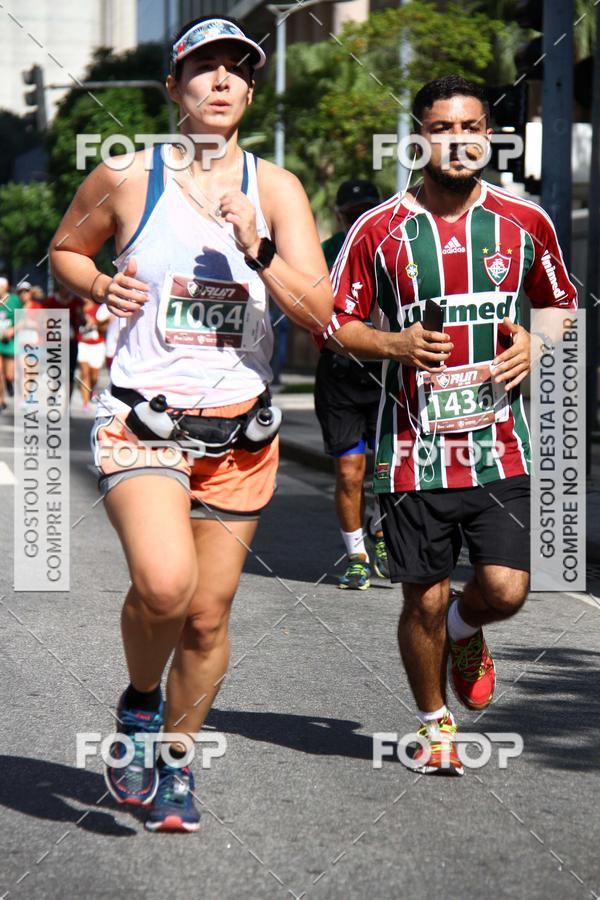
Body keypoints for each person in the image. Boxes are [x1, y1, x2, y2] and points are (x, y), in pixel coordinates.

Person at [50, 15, 332, 831]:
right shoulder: (127, 176)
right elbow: (67, 249)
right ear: (173, 88)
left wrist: (260, 249)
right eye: (202, 68)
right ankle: (140, 707)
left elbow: (320, 314)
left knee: (208, 617)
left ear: (250, 90)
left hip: (240, 436)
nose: (219, 82)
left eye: (235, 70)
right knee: (166, 587)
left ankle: (176, 761)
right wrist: (101, 287)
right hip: (144, 421)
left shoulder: (276, 190)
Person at [322, 75, 577, 774]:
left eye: (471, 127)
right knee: (423, 597)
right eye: (442, 128)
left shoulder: (527, 223)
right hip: (413, 449)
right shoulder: (379, 230)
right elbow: (337, 325)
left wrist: (539, 342)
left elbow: (559, 306)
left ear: (488, 137)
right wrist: (396, 344)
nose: (459, 140)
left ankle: (469, 631)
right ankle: (436, 725)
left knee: (505, 588)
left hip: (501, 444)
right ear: (418, 139)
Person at [315, 180, 389, 590]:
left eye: (368, 209)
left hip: (387, 372)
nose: (360, 217)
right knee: (348, 471)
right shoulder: (325, 253)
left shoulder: (395, 243)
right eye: (353, 212)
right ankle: (356, 554)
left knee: (385, 469)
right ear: (341, 216)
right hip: (341, 372)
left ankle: (379, 530)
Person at [76, 298, 107, 412]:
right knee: (85, 374)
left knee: (94, 377)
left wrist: (95, 322)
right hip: (83, 344)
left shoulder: (99, 310)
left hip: (97, 345)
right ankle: (85, 403)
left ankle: (89, 390)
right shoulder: (78, 308)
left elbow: (105, 327)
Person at [0, 277, 24, 411]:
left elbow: (22, 319)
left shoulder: (14, 300)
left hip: (10, 341)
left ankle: (10, 383)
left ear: (6, 287)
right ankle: (1, 400)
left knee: (9, 374)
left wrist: (12, 330)